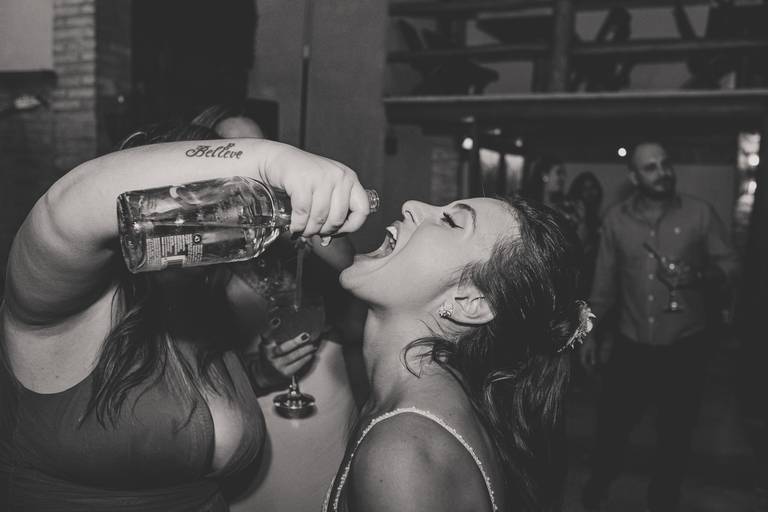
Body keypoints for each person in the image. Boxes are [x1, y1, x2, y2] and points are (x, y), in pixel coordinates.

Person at [0, 131, 372, 511]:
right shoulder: (61, 306)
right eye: (207, 201)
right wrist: (269, 159)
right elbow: (64, 210)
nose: (221, 218)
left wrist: (262, 373)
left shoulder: (196, 303)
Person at [323, 195, 591, 512]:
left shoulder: (402, 453)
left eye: (451, 222)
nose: (410, 205)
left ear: (469, 303)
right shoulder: (423, 406)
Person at [190, 104, 368, 511]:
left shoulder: (288, 225)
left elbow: (346, 266)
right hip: (255, 408)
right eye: (237, 150)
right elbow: (193, 367)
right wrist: (262, 371)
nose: (254, 161)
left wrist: (296, 207)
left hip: (329, 394)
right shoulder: (198, 247)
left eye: (261, 147)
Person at [579, 141, 739, 512]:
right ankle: (598, 484)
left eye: (665, 164)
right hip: (631, 344)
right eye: (650, 167)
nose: (662, 173)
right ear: (634, 177)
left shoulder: (700, 214)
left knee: (676, 435)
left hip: (685, 347)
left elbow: (731, 265)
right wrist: (587, 334)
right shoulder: (616, 220)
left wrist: (700, 274)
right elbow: (603, 289)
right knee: (612, 427)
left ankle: (664, 499)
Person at [568, 172, 604, 297]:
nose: (590, 193)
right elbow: (578, 250)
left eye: (593, 187)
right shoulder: (573, 218)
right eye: (585, 189)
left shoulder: (599, 220)